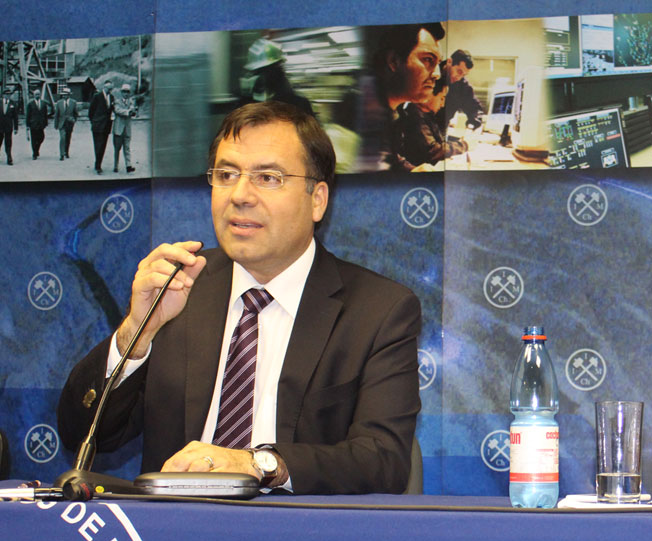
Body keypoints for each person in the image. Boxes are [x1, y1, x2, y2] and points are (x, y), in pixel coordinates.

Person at [57, 101, 423, 495]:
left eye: (268, 178)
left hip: (302, 526)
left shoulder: (378, 311)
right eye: (226, 175)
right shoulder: (179, 287)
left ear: (317, 199)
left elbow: (383, 460)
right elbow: (83, 434)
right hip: (173, 525)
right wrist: (136, 332)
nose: (240, 195)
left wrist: (258, 463)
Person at [357, 22, 445, 172]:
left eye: (438, 63)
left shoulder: (394, 112)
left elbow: (391, 158)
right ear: (394, 61)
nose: (437, 74)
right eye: (428, 59)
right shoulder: (363, 116)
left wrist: (413, 171)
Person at [239, 38, 315, 116]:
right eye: (257, 72)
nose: (262, 77)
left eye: (266, 71)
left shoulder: (297, 105)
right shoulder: (245, 105)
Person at [397, 81, 467, 167]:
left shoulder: (427, 115)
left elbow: (439, 143)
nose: (443, 104)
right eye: (442, 98)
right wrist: (464, 145)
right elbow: (434, 151)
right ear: (428, 94)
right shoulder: (414, 117)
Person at [442, 49, 484, 130]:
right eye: (459, 71)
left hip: (441, 129)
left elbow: (475, 108)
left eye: (464, 75)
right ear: (449, 62)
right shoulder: (432, 74)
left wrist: (472, 124)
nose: (459, 78)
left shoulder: (461, 85)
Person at [89, 79, 114, 174]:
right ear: (104, 87)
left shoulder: (112, 97)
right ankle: (98, 165)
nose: (110, 90)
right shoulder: (97, 96)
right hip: (97, 125)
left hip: (107, 126)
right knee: (98, 146)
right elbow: (91, 111)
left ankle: (98, 163)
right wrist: (94, 122)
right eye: (108, 88)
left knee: (103, 146)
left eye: (111, 89)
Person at [112, 83, 137, 173]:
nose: (126, 94)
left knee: (127, 148)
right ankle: (116, 166)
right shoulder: (117, 101)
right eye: (124, 92)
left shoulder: (131, 102)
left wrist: (132, 112)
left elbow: (133, 110)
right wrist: (128, 112)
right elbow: (117, 110)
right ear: (121, 92)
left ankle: (128, 165)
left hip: (127, 129)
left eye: (127, 92)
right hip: (118, 129)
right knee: (117, 149)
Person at [25, 88, 51, 160]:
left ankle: (37, 149)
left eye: (38, 94)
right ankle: (34, 153)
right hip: (33, 124)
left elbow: (45, 114)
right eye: (36, 94)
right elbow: (28, 115)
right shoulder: (30, 104)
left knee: (41, 137)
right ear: (34, 95)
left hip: (41, 124)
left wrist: (46, 123)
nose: (37, 95)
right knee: (34, 139)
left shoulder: (43, 103)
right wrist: (27, 125)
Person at [54, 86, 78, 160]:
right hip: (61, 124)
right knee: (62, 138)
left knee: (68, 138)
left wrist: (73, 120)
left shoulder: (73, 102)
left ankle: (66, 152)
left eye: (66, 94)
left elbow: (75, 113)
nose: (64, 96)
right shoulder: (59, 103)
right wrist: (56, 124)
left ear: (69, 95)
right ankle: (61, 155)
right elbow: (56, 115)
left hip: (70, 123)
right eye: (63, 94)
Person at [1, 89, 18, 165]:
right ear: (3, 95)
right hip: (0, 126)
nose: (8, 96)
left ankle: (9, 158)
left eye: (9, 94)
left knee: (8, 142)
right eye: (6, 94)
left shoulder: (13, 104)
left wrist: (16, 128)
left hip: (8, 126)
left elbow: (15, 117)